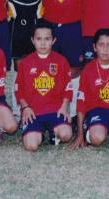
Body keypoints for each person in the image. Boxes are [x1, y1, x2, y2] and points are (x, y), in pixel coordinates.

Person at [39, 0, 84, 115]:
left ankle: (73, 111)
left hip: (73, 26)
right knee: (53, 67)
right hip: (52, 27)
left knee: (75, 67)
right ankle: (54, 106)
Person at [15, 21, 73, 151]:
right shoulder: (25, 63)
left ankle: (53, 132)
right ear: (32, 40)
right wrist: (25, 107)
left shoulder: (61, 61)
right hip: (33, 112)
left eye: (47, 39)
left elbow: (68, 87)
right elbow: (19, 90)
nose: (42, 43)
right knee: (31, 146)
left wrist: (64, 107)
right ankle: (38, 132)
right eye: (39, 39)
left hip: (55, 110)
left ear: (53, 40)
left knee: (66, 135)